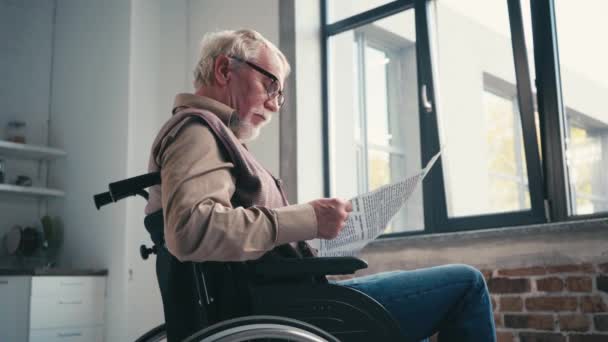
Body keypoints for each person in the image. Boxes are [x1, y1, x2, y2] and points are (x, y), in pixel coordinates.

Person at [145, 29, 496, 342]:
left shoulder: (211, 136)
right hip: (283, 309)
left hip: (286, 297)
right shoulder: (197, 131)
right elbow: (191, 228)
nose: (273, 104)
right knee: (466, 283)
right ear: (224, 70)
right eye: (270, 86)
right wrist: (309, 219)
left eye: (280, 95)